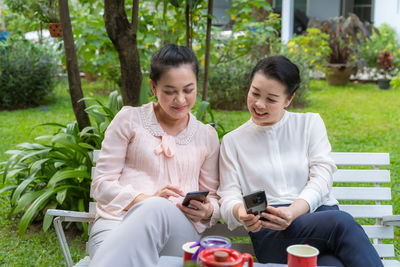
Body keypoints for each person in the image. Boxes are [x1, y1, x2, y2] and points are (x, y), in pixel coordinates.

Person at [217, 55, 383, 266]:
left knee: (331, 264)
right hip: (273, 232)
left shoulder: (309, 124)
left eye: (271, 99)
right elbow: (228, 194)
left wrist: (294, 211)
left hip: (320, 216)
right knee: (342, 223)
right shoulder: (233, 141)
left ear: (288, 99)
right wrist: (240, 212)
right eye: (255, 93)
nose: (259, 104)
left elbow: (322, 176)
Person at [88, 44, 220, 267]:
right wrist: (146, 201)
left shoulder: (206, 136)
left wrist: (207, 210)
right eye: (170, 91)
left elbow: (214, 198)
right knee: (152, 209)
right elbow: (101, 184)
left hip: (179, 234)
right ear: (153, 87)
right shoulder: (129, 121)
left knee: (158, 208)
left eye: (188, 90)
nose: (180, 100)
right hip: (116, 225)